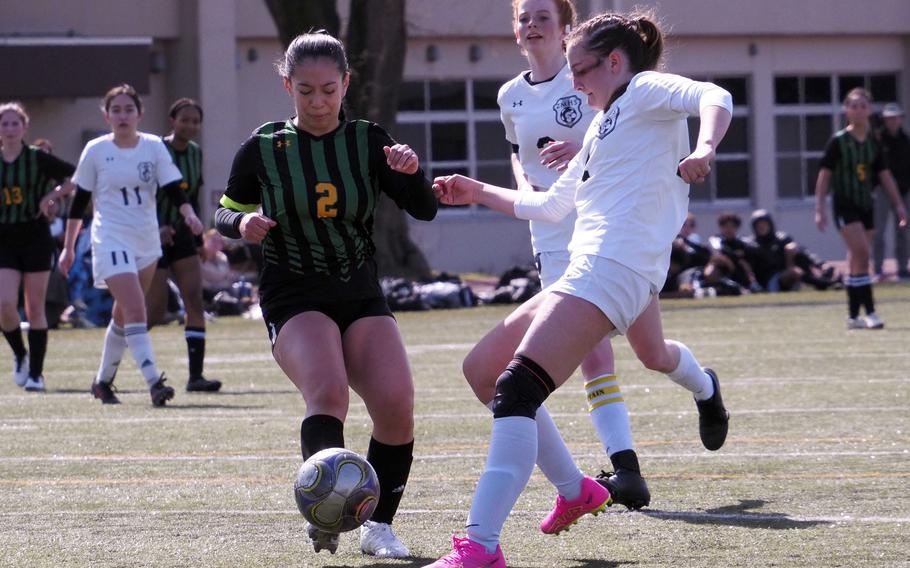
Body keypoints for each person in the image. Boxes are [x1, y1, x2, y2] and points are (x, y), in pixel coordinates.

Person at [428, 11, 732, 566]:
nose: (573, 82)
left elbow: (714, 95)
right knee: (483, 372)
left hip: (617, 270)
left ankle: (481, 547)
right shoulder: (600, 125)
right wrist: (475, 192)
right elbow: (550, 205)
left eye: (581, 70)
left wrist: (705, 148)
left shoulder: (642, 89)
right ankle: (576, 490)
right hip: (586, 268)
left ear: (615, 62)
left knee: (517, 389)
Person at [213, 32, 437, 558]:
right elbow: (222, 213)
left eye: (329, 90)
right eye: (306, 91)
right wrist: (241, 221)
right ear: (287, 85)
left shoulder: (366, 140)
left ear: (346, 85)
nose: (318, 102)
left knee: (397, 405)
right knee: (329, 393)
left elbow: (423, 208)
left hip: (358, 289)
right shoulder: (264, 147)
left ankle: (378, 528)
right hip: (293, 291)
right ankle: (324, 512)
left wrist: (411, 173)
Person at [58, 84, 204, 406]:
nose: (122, 115)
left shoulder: (153, 146)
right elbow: (78, 202)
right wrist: (69, 248)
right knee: (137, 307)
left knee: (123, 315)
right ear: (106, 115)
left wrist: (190, 215)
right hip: (110, 237)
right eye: (116, 110)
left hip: (146, 238)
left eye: (128, 109)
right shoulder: (96, 150)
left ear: (140, 113)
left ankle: (101, 382)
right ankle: (154, 382)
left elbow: (173, 188)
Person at [814, 88, 907, 330]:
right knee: (863, 254)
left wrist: (899, 205)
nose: (858, 110)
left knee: (857, 260)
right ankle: (872, 312)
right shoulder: (838, 141)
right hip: (845, 205)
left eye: (862, 105)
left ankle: (853, 316)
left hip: (867, 205)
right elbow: (824, 176)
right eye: (853, 105)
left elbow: (885, 176)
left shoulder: (874, 143)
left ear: (870, 110)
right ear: (846, 110)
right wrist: (819, 208)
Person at [145, 98, 221, 392]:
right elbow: (143, 196)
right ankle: (111, 362)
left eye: (195, 121)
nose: (190, 125)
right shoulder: (155, 151)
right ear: (171, 121)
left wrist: (200, 238)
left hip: (183, 235)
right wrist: (155, 227)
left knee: (194, 300)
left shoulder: (195, 153)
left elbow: (192, 197)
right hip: (152, 236)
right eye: (184, 119)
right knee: (155, 310)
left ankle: (195, 377)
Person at [0, 102, 76, 392]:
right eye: (4, 124)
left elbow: (77, 177)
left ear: (24, 127)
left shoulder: (37, 159)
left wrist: (52, 196)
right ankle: (20, 354)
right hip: (4, 238)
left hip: (35, 236)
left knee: (35, 307)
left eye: (14, 123)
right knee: (5, 304)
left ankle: (36, 374)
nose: (9, 129)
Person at [873, 102, 910, 279]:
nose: (892, 122)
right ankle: (878, 269)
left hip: (904, 191)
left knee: (902, 232)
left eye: (895, 118)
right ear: (884, 121)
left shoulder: (906, 141)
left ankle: (902, 268)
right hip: (883, 191)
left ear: (900, 119)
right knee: (878, 232)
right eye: (889, 119)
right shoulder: (878, 140)